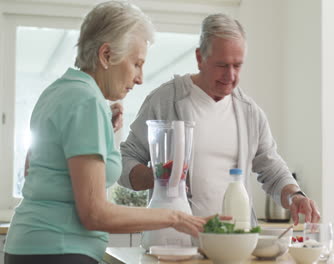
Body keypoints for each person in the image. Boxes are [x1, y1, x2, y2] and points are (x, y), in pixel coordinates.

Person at [3, 2, 208, 264]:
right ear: (106, 55)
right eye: (136, 64)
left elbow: (38, 170)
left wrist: (101, 131)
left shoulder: (58, 91)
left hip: (29, 246)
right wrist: (177, 217)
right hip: (59, 250)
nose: (140, 78)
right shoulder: (86, 102)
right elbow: (95, 214)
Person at [119, 13, 321, 225]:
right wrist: (157, 178)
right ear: (199, 58)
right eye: (222, 65)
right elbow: (125, 159)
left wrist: (296, 196)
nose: (231, 75)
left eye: (237, 65)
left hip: (236, 242)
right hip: (176, 242)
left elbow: (273, 170)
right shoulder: (165, 101)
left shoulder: (249, 113)